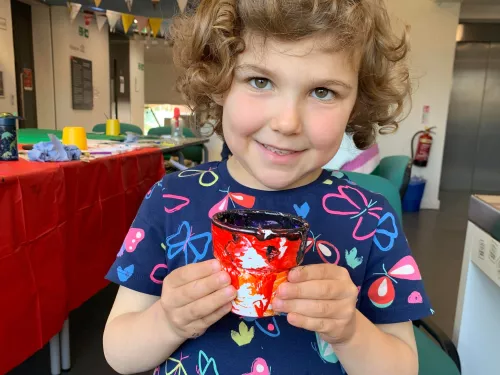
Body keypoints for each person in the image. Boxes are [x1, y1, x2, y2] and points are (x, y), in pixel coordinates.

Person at [103, 1, 432, 374]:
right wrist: (167, 320)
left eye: (323, 91)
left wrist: (350, 331)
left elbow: (403, 367)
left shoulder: (370, 218)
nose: (287, 122)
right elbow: (118, 351)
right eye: (260, 81)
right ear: (218, 82)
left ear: (357, 104)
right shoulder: (170, 199)